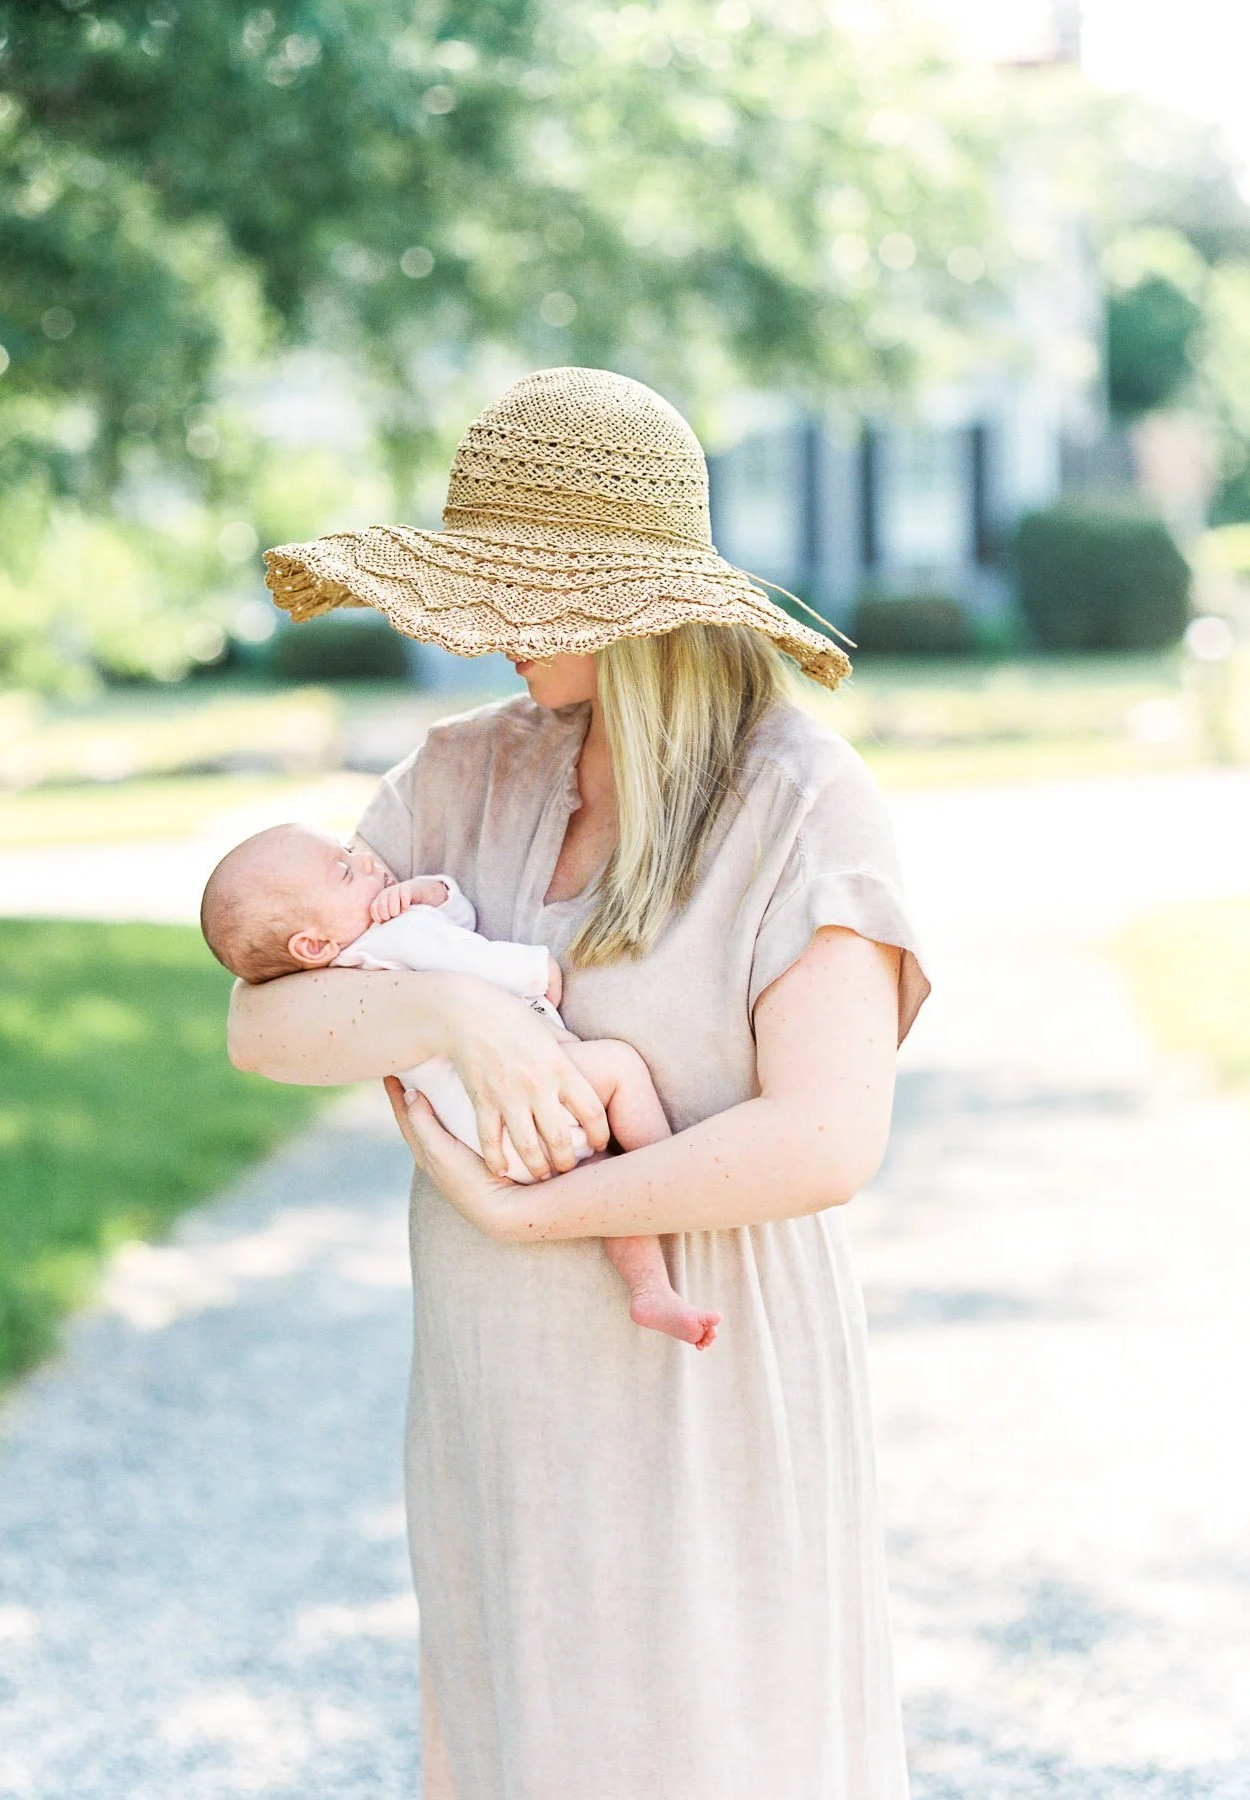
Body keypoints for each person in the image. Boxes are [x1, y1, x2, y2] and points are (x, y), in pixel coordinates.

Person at [231, 366, 930, 1798]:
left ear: (634, 601)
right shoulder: (457, 778)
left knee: (718, 1749)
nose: (488, 633)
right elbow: (263, 1028)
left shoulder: (803, 801)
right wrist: (454, 1014)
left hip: (706, 1400)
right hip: (499, 1401)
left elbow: (827, 1136)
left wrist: (538, 1213)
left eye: (522, 599)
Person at [199, 822, 721, 1346]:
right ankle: (671, 1173)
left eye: (351, 850)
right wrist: (537, 972)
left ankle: (650, 1290)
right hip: (531, 1103)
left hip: (490, 1143)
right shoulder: (398, 934)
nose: (367, 863)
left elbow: (452, 927)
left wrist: (430, 892)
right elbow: (472, 958)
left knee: (605, 1176)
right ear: (311, 942)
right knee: (620, 1068)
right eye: (344, 871)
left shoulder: (346, 973)